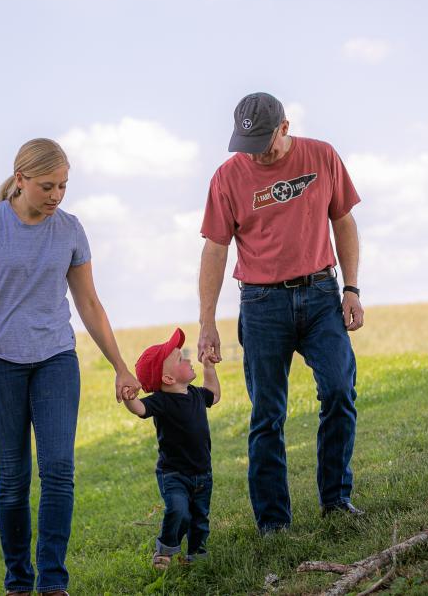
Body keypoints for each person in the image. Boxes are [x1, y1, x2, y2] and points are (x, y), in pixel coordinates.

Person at [0, 137, 142, 596]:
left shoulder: (72, 229)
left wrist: (121, 366)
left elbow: (90, 303)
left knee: (59, 470)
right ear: (20, 180)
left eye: (63, 186)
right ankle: (18, 583)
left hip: (56, 359)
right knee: (13, 480)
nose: (57, 195)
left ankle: (53, 584)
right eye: (46, 186)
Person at [197, 92, 365, 535]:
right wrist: (206, 322)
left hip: (320, 295)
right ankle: (273, 522)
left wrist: (351, 288)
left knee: (339, 391)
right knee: (268, 413)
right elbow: (215, 250)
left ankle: (336, 499)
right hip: (260, 303)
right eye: (247, 143)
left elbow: (343, 221)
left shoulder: (322, 156)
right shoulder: (227, 177)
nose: (257, 153)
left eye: (265, 142)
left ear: (285, 127)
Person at [122, 327, 220, 568]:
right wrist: (128, 397)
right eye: (180, 358)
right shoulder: (161, 401)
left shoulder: (196, 394)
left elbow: (215, 395)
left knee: (199, 517)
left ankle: (196, 555)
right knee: (178, 510)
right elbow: (140, 410)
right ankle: (165, 548)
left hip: (202, 472)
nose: (187, 359)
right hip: (173, 473)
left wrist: (209, 367)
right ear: (168, 379)